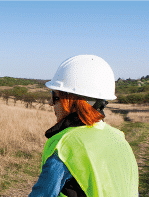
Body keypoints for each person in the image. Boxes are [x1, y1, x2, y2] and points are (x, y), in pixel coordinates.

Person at [29, 55, 139, 197]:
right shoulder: (119, 138)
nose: (51, 103)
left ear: (72, 101)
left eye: (54, 96)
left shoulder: (65, 145)